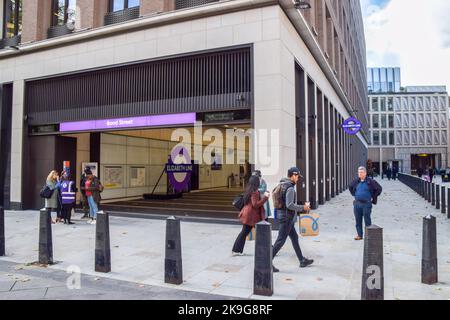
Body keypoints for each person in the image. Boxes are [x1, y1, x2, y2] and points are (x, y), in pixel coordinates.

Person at [272, 167, 314, 273]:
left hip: (284, 216)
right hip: (286, 218)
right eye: (297, 176)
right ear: (293, 176)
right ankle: (266, 262)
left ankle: (302, 260)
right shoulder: (290, 188)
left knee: (294, 238)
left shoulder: (282, 184)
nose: (298, 179)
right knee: (280, 241)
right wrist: (303, 208)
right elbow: (289, 205)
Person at [232, 176, 269, 256]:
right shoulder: (255, 192)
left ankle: (236, 250)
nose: (260, 181)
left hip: (249, 215)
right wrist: (265, 198)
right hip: (252, 216)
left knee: (245, 233)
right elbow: (255, 205)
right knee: (260, 232)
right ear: (256, 182)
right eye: (259, 180)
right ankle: (271, 249)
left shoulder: (249, 189)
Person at [349, 167, 383, 241]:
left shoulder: (370, 181)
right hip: (357, 204)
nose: (360, 174)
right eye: (359, 172)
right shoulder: (356, 181)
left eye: (361, 172)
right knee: (358, 221)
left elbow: (379, 189)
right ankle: (359, 235)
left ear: (365, 173)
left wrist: (373, 197)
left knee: (367, 220)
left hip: (366, 204)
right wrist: (355, 194)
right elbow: (350, 187)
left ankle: (368, 236)